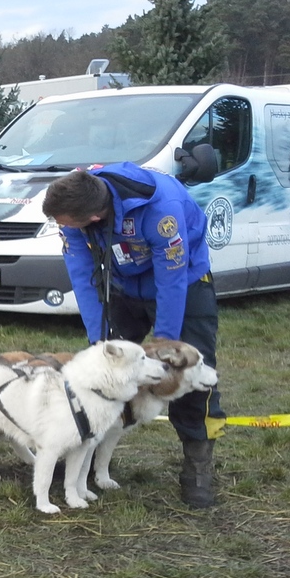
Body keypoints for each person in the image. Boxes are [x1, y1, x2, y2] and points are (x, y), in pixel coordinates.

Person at [42, 163, 226, 508]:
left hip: (184, 283)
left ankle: (197, 467)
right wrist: (99, 341)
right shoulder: (74, 208)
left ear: (93, 217)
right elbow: (81, 273)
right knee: (101, 373)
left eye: (66, 224)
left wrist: (164, 348)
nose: (62, 228)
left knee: (188, 375)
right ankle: (81, 455)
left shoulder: (161, 208)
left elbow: (171, 279)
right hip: (123, 284)